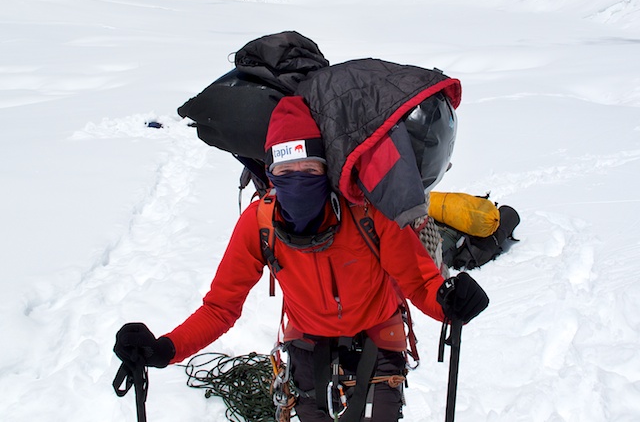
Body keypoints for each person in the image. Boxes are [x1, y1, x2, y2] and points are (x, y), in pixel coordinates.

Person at [114, 96, 489, 421]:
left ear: (327, 170)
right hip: (308, 348)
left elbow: (420, 282)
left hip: (379, 338)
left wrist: (449, 301)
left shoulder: (367, 213)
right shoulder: (260, 223)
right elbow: (220, 308)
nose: (297, 179)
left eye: (309, 169)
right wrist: (165, 348)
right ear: (270, 174)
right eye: (284, 171)